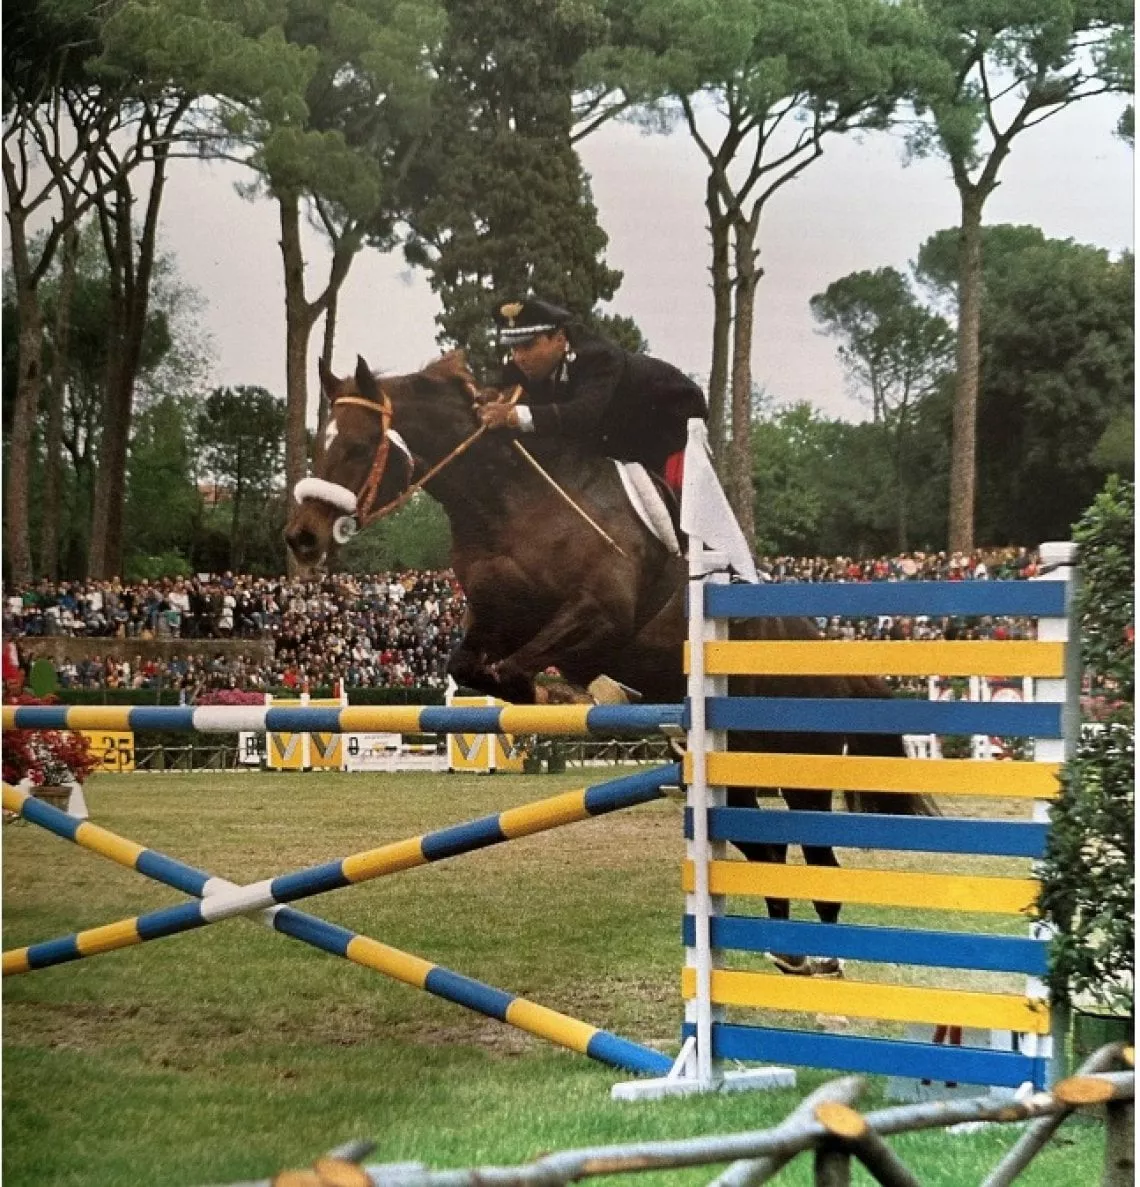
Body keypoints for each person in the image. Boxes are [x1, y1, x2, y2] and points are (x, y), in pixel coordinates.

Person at [478, 297, 707, 495]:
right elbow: (498, 386)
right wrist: (488, 396)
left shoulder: (599, 358)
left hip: (670, 423)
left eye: (527, 346)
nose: (519, 358)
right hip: (615, 434)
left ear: (559, 339)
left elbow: (583, 415)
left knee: (677, 511)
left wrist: (514, 416)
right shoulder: (522, 365)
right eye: (514, 349)